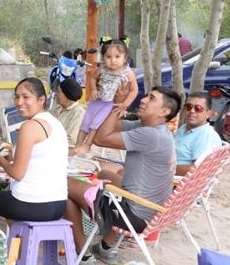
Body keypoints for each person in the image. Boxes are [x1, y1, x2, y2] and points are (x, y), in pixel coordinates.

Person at [65, 87, 179, 265]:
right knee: (105, 174)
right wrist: (117, 105)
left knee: (63, 186)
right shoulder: (151, 128)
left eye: (151, 99)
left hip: (133, 216)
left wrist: (116, 106)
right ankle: (106, 248)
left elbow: (100, 139)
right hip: (149, 211)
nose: (143, 100)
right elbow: (108, 126)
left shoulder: (150, 135)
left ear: (164, 111)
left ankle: (83, 254)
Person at [0, 77, 68, 227]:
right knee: (8, 199)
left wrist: (0, 161)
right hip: (58, 205)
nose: (19, 102)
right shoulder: (55, 123)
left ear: (41, 100)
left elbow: (17, 173)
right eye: (16, 97)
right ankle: (18, 248)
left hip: (33, 204)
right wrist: (12, 156)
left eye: (26, 97)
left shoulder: (29, 126)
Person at [73, 39, 138, 156]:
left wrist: (125, 104)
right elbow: (92, 78)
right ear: (103, 58)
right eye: (108, 57)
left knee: (95, 124)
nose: (113, 60)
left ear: (125, 57)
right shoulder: (102, 69)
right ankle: (78, 145)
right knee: (86, 121)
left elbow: (134, 90)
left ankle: (87, 146)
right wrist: (93, 89)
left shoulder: (127, 73)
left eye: (117, 56)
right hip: (96, 100)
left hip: (109, 104)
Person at [174, 91, 223, 176]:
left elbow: (198, 170)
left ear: (208, 114)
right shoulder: (184, 128)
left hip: (175, 180)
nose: (192, 111)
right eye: (188, 107)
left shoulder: (206, 136)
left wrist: (165, 167)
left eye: (198, 108)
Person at [52, 77, 85, 144]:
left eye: (58, 91)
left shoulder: (78, 113)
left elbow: (71, 139)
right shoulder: (58, 108)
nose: (56, 94)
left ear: (67, 94)